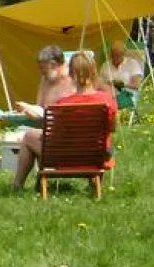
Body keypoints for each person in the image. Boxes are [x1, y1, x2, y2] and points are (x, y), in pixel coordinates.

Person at [11, 52, 117, 190]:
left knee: (29, 137)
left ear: (71, 74)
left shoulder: (63, 105)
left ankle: (17, 186)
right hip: (96, 156)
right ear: (94, 72)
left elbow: (56, 137)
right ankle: (93, 186)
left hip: (64, 158)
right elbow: (112, 128)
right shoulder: (107, 101)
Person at [31, 44, 77, 111]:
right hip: (46, 118)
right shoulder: (45, 78)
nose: (41, 72)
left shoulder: (74, 77)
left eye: (42, 68)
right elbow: (39, 106)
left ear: (54, 64)